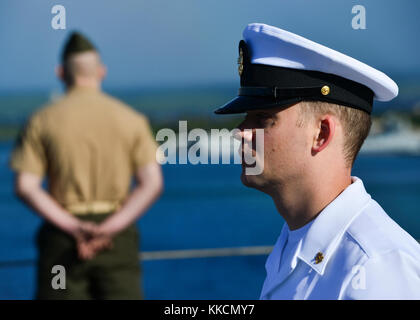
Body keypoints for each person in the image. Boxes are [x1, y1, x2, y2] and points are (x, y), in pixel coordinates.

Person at [215, 23, 420, 299]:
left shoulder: (376, 269)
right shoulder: (296, 241)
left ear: (321, 134)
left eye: (263, 119)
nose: (240, 132)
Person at [10, 31, 163, 299]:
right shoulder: (131, 119)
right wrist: (109, 228)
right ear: (101, 71)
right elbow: (152, 184)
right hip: (118, 238)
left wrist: (73, 227)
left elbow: (26, 186)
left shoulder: (41, 120)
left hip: (61, 238)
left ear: (60, 72)